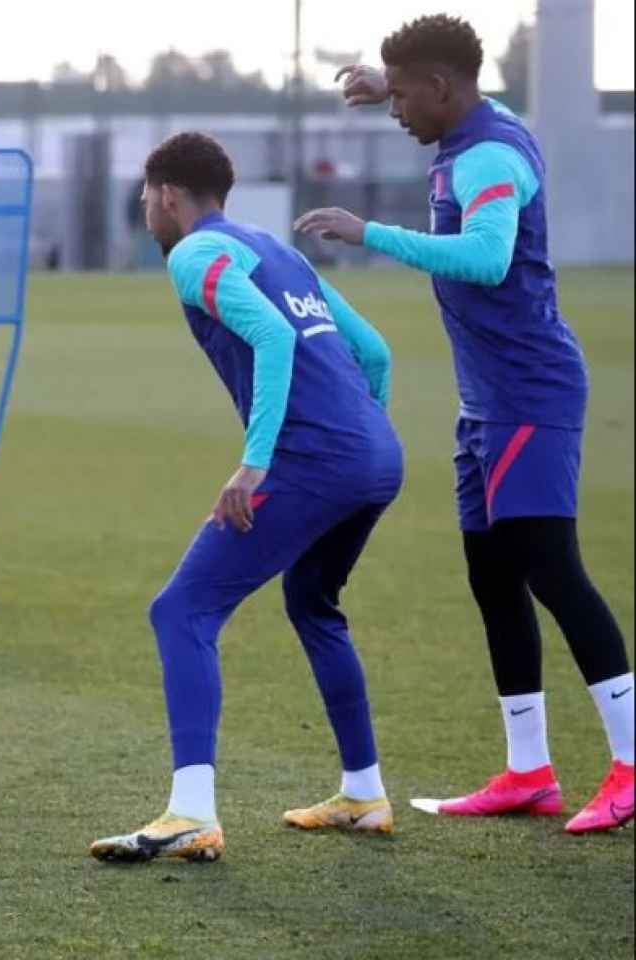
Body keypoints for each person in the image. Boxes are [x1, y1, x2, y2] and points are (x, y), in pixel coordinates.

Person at [297, 14, 632, 834]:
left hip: (530, 395)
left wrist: (366, 232)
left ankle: (629, 767)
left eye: (405, 95)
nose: (396, 111)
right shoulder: (483, 123)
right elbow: (472, 97)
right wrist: (389, 78)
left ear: (444, 88)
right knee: (493, 579)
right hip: (485, 400)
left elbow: (485, 257)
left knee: (554, 571)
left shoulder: (487, 154)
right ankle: (529, 772)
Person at [91, 132, 403, 864]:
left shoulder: (193, 254)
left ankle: (191, 813)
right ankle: (364, 793)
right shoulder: (277, 250)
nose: (144, 209)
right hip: (376, 454)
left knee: (182, 610)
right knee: (314, 605)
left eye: (145, 197)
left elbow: (271, 337)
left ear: (168, 194)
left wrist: (255, 464)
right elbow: (376, 351)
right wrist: (364, 443)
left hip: (312, 460)